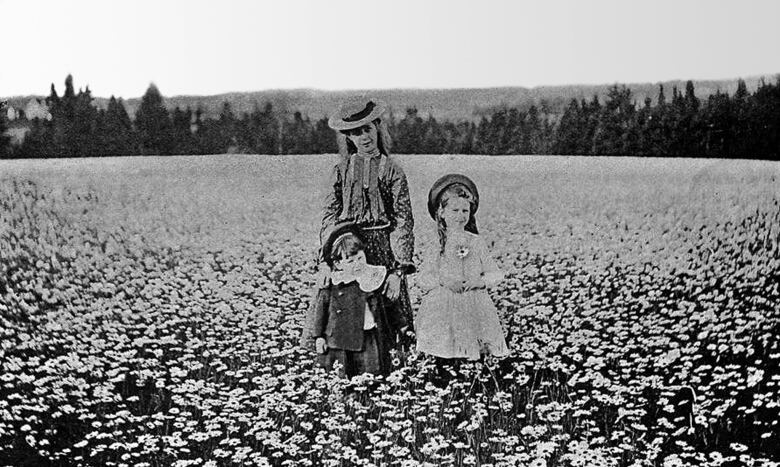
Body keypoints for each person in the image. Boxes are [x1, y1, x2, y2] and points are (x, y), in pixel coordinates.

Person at [313, 97, 416, 346]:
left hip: (383, 251)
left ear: (377, 127)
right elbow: (329, 217)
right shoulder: (340, 171)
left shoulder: (392, 170)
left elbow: (403, 221)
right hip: (348, 250)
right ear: (348, 137)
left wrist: (397, 271)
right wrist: (327, 262)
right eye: (356, 133)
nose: (364, 137)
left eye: (367, 129)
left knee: (388, 319)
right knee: (345, 324)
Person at [416, 174, 509, 369]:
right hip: (444, 303)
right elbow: (424, 277)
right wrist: (445, 282)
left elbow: (494, 273)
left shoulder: (476, 241)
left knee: (474, 348)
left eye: (465, 210)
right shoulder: (437, 243)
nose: (460, 216)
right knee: (445, 348)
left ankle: (474, 377)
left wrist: (479, 282)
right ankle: (446, 375)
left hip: (474, 302)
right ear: (441, 212)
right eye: (455, 210)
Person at [311, 222, 403, 377]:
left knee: (372, 369)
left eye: (360, 258)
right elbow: (321, 311)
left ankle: (369, 393)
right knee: (341, 371)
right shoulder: (334, 283)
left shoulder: (373, 278)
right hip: (339, 339)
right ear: (338, 264)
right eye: (350, 261)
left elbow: (389, 304)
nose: (358, 264)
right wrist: (319, 337)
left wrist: (402, 325)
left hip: (367, 333)